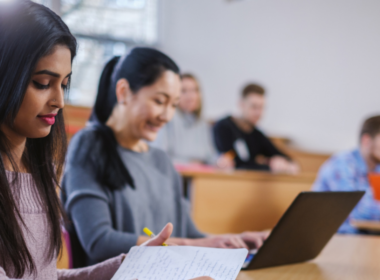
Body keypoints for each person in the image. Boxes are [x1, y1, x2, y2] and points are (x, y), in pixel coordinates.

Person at [0, 2, 210, 280]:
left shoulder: (41, 170)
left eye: (64, 85)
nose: (59, 101)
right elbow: (98, 240)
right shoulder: (90, 146)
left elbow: (47, 276)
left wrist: (134, 263)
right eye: (42, 83)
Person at [61, 48, 269, 266]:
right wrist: (193, 245)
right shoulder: (88, 145)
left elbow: (187, 232)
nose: (167, 116)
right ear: (123, 92)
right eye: (160, 101)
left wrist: (231, 242)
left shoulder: (161, 160)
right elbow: (99, 241)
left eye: (173, 105)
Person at [313, 116, 380, 234]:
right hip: (334, 238)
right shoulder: (342, 165)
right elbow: (356, 212)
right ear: (366, 141)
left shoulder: (376, 168)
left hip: (363, 237)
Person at [213, 83, 299, 173]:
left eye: (261, 107)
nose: (258, 113)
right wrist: (267, 164)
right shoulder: (223, 127)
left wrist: (287, 164)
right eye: (254, 107)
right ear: (241, 104)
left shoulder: (257, 134)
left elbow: (283, 157)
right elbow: (237, 165)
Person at [152, 73, 233, 168]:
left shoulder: (202, 123)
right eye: (184, 91)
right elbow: (159, 157)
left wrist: (219, 161)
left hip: (199, 176)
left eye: (194, 90)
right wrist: (189, 163)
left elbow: (209, 155)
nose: (190, 96)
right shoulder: (167, 118)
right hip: (175, 174)